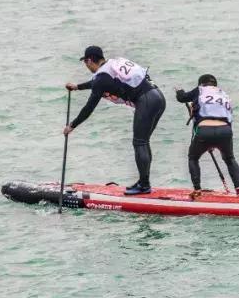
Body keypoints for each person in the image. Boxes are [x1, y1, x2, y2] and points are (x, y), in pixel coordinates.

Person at [64, 46, 166, 195]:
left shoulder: (101, 78)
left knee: (140, 142)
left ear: (90, 60)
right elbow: (98, 83)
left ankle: (144, 185)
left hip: (146, 101)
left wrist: (72, 125)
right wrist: (77, 87)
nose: (86, 66)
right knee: (143, 142)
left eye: (85, 62)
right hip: (158, 97)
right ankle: (144, 182)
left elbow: (89, 107)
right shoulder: (112, 64)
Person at [175, 74, 239, 195]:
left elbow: (182, 98)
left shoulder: (200, 90)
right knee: (229, 159)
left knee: (193, 158)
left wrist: (179, 91)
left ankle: (197, 189)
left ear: (201, 83)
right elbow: (230, 118)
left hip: (204, 130)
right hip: (225, 130)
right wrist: (216, 141)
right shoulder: (224, 94)